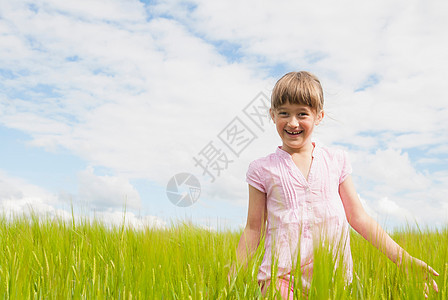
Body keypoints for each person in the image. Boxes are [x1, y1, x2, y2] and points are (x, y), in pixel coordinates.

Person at [229, 71, 439, 299]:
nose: (292, 122)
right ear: (272, 115)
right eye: (284, 113)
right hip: (281, 276)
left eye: (302, 114)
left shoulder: (336, 161)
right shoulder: (261, 169)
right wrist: (230, 277)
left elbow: (359, 217)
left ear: (319, 116)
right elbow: (254, 228)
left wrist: (403, 259)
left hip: (334, 276)